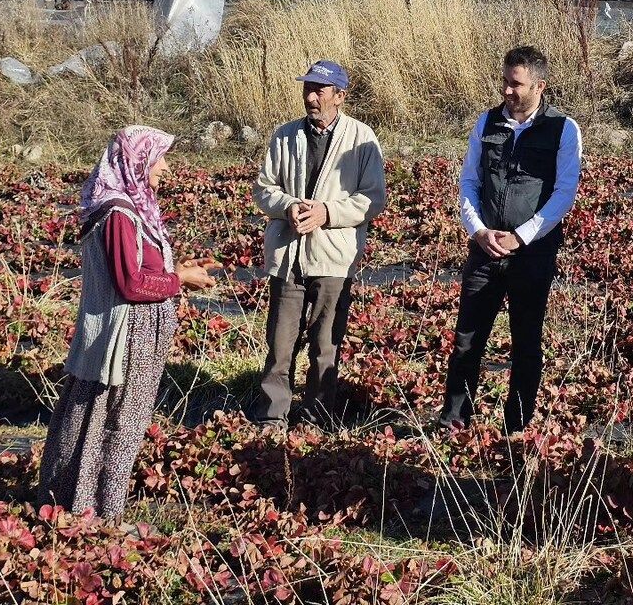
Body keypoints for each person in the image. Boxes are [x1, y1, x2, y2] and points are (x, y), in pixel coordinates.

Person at [39, 125, 220, 520]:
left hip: (136, 331)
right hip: (129, 334)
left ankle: (80, 504)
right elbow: (131, 283)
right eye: (159, 159)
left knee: (105, 415)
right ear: (137, 161)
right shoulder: (120, 213)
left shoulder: (132, 208)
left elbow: (140, 266)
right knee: (117, 421)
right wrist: (179, 281)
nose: (165, 169)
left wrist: (179, 267)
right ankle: (97, 512)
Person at [438, 46, 583, 433]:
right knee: (467, 338)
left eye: (516, 84)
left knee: (525, 343)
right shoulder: (486, 123)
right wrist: (478, 230)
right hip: (485, 250)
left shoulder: (563, 129)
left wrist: (522, 237)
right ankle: (454, 420)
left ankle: (516, 426)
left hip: (531, 255)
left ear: (540, 86)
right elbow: (469, 181)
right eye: (504, 81)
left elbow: (564, 192)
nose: (507, 91)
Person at [248, 60, 387, 429]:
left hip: (334, 258)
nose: (311, 97)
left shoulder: (362, 139)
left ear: (340, 96)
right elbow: (264, 190)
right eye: (307, 88)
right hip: (287, 255)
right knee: (280, 344)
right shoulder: (284, 135)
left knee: (325, 344)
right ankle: (272, 416)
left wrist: (326, 213)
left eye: (319, 90)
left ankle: (315, 418)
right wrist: (288, 206)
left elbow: (373, 198)